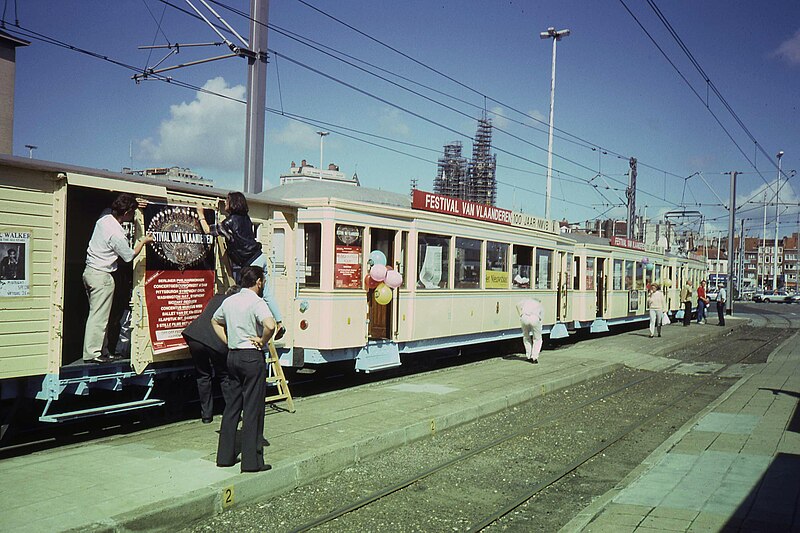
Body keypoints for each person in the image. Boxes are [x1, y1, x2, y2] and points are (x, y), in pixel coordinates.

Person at [212, 266, 275, 473]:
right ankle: (252, 462)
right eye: (263, 281)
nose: (263, 284)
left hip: (233, 356)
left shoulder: (229, 301)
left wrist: (228, 340)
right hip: (251, 357)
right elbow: (271, 325)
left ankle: (225, 457)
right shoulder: (257, 302)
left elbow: (215, 320)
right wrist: (262, 340)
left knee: (232, 407)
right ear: (258, 282)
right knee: (253, 409)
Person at [197, 192, 285, 340]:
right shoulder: (246, 219)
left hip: (251, 263)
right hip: (260, 257)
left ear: (233, 203)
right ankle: (280, 323)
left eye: (227, 201)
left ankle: (257, 328)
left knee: (248, 297)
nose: (225, 204)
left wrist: (200, 214)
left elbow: (208, 230)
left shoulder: (229, 223)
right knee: (267, 294)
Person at [82, 194, 153, 364]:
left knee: (98, 315)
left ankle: (103, 351)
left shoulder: (104, 218)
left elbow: (110, 207)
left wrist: (135, 201)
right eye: (132, 212)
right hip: (102, 276)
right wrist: (143, 241)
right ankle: (93, 354)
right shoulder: (116, 234)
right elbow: (129, 256)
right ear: (127, 212)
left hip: (90, 272)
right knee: (99, 318)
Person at [182, 286, 239, 423]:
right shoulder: (233, 305)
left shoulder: (216, 298)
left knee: (203, 376)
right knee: (224, 376)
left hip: (195, 337)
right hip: (214, 342)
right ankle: (233, 413)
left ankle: (206, 416)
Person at [517, 298, 544, 364]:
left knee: (526, 337)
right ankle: (534, 357)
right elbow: (541, 318)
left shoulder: (525, 301)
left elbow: (517, 305)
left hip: (524, 317)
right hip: (535, 318)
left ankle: (528, 356)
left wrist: (520, 314)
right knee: (537, 339)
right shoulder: (539, 304)